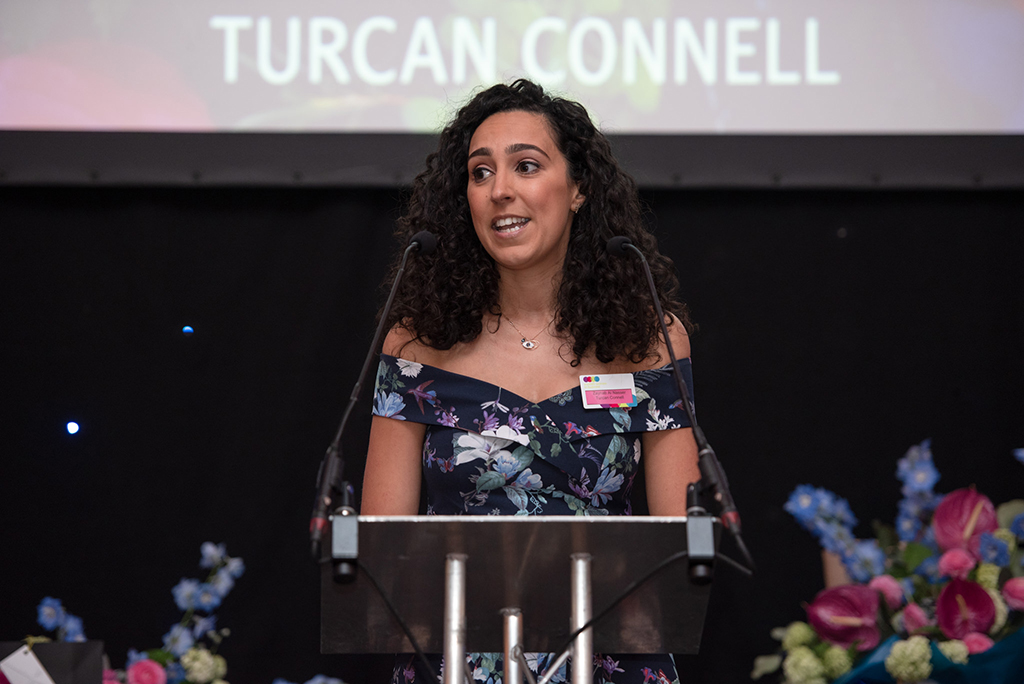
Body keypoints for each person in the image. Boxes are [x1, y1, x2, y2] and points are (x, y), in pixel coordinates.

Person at [362, 79, 700, 684]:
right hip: (457, 662)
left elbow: (682, 548)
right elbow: (384, 551)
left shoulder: (649, 339)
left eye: (526, 165)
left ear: (578, 189)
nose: (501, 190)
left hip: (612, 660)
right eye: (481, 172)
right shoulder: (415, 343)